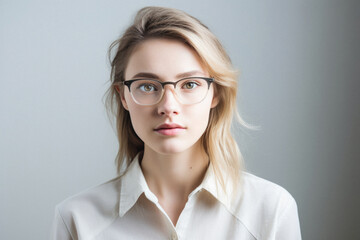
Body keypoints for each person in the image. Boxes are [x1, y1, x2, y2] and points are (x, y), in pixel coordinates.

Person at [51, 6, 301, 240]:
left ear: (215, 94)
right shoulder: (76, 219)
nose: (168, 106)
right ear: (123, 96)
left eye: (189, 84)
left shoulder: (271, 209)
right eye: (147, 86)